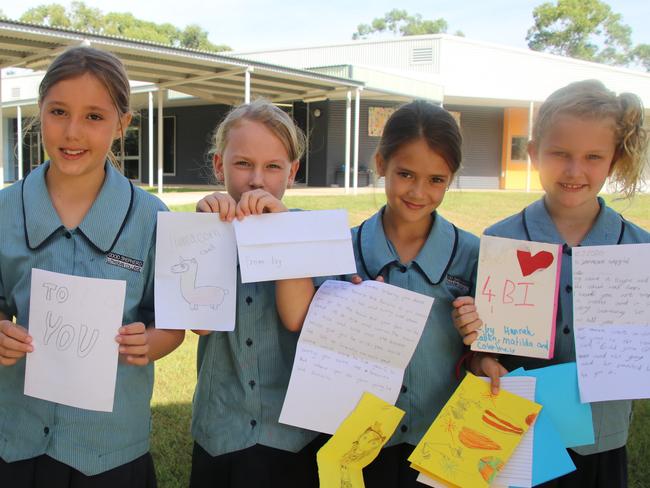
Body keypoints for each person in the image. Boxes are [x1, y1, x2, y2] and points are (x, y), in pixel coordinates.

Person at [0, 46, 185, 487]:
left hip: (110, 449)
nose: (72, 132)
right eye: (59, 111)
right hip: (18, 442)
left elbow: (171, 324)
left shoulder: (152, 219)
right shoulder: (4, 211)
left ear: (123, 124)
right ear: (39, 112)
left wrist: (151, 343)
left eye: (94, 117)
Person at [452, 79, 649, 488]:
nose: (575, 170)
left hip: (601, 440)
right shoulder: (501, 240)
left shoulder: (637, 249)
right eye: (560, 153)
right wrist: (481, 358)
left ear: (612, 161)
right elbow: (480, 352)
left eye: (593, 156)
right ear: (533, 153)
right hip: (517, 433)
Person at [190, 99, 324, 488]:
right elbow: (200, 326)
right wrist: (206, 238)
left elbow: (297, 317)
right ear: (220, 165)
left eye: (273, 167)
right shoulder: (206, 228)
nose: (257, 180)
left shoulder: (309, 231)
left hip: (292, 432)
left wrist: (282, 235)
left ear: (292, 171)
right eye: (243, 163)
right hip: (221, 426)